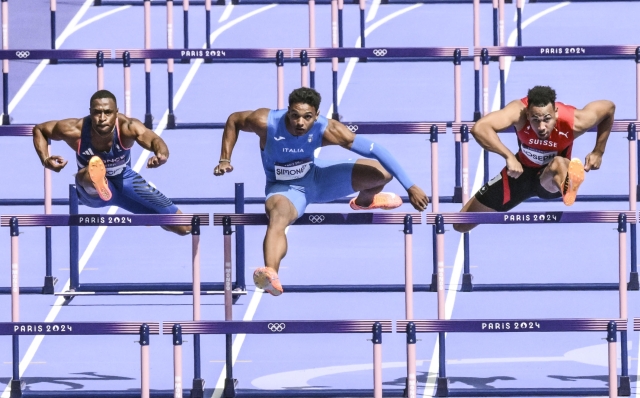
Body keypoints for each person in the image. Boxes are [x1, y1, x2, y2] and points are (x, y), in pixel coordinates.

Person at [214, 87, 429, 296]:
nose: (300, 122)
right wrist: (225, 158)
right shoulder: (265, 122)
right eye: (295, 115)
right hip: (285, 190)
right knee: (278, 218)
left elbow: (376, 149)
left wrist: (410, 186)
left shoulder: (328, 129)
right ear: (287, 110)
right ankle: (271, 275)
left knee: (381, 173)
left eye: (307, 117)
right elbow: (234, 120)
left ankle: (365, 201)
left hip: (318, 179)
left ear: (317, 115)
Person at [453, 86, 615, 233]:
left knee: (558, 162)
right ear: (528, 114)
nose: (542, 127)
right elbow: (479, 128)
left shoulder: (575, 121)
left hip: (549, 179)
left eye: (547, 119)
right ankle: (566, 183)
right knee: (461, 224)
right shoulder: (518, 111)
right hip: (519, 174)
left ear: (556, 112)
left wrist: (598, 151)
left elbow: (609, 108)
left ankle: (568, 187)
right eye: (535, 120)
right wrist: (508, 156)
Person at [32, 89, 190, 236]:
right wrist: (45, 159)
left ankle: (155, 217)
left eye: (107, 112)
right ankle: (99, 183)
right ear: (90, 113)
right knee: (89, 171)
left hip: (125, 180)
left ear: (116, 113)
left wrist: (161, 155)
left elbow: (155, 139)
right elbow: (40, 129)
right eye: (97, 113)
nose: (102, 118)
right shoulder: (74, 129)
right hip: (90, 190)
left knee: (184, 227)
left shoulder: (128, 127)